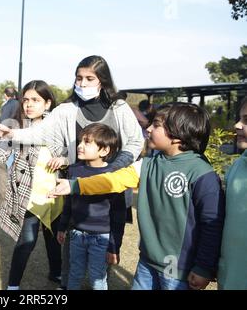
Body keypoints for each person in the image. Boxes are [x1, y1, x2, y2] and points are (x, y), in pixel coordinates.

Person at [0, 55, 144, 288]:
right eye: (79, 78)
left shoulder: (118, 108)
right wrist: (12, 134)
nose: (82, 84)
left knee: (104, 259)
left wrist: (112, 168)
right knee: (73, 254)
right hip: (77, 187)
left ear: (102, 80)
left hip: (112, 189)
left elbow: (135, 141)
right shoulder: (67, 109)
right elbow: (39, 133)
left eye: (89, 78)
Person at [49, 102, 225, 290]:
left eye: (156, 125)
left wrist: (203, 268)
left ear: (177, 133)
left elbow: (212, 224)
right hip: (147, 261)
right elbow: (113, 180)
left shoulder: (202, 174)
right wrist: (75, 185)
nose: (148, 129)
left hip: (178, 268)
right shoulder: (148, 164)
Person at [0, 80, 65, 290]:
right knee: (27, 241)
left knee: (53, 239)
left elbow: (73, 153)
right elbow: (0, 152)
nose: (29, 104)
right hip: (29, 195)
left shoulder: (58, 128)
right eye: (25, 99)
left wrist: (64, 160)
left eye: (35, 100)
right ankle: (13, 285)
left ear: (48, 103)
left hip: (55, 195)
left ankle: (57, 273)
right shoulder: (16, 128)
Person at [57, 123, 126, 290]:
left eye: (87, 142)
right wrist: (62, 227)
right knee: (74, 273)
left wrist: (114, 246)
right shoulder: (74, 170)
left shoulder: (113, 177)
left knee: (97, 278)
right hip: (76, 235)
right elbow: (69, 202)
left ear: (104, 150)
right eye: (80, 141)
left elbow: (118, 215)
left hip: (101, 238)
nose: (80, 146)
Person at [218, 97, 247, 289]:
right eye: (239, 118)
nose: (237, 125)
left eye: (246, 119)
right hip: (230, 278)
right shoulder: (237, 165)